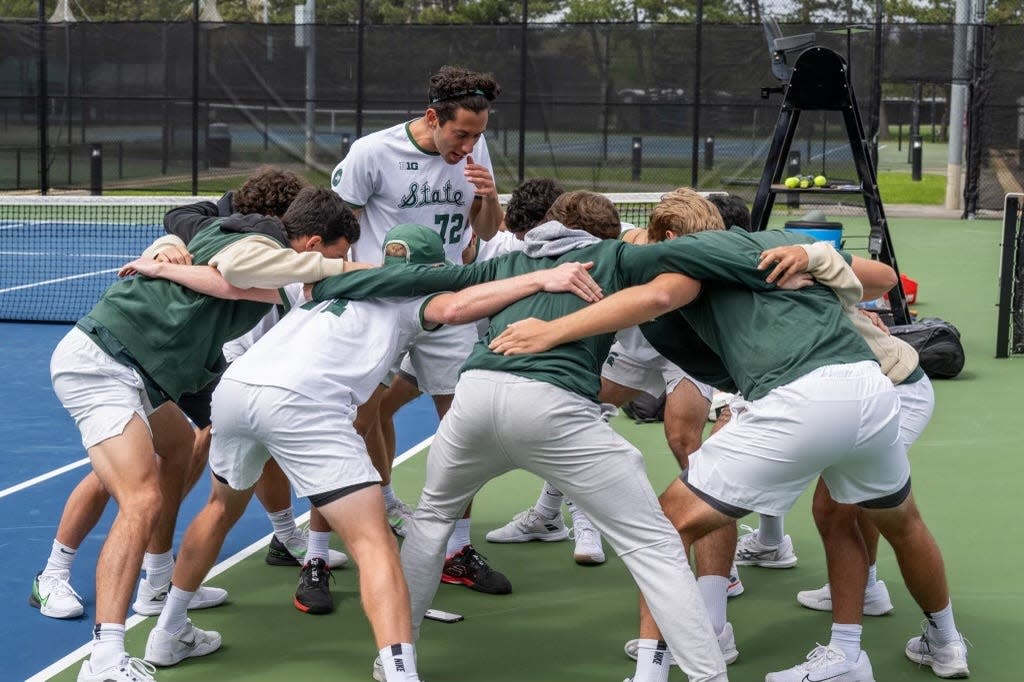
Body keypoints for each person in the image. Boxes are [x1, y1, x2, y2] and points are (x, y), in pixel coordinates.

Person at [488, 215, 969, 681]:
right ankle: (926, 645)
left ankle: (654, 669)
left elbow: (654, 291)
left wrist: (548, 330)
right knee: (881, 520)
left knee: (667, 525)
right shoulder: (770, 246)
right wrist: (813, 257)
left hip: (821, 392)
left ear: (676, 239)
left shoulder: (684, 261)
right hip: (870, 387)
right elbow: (878, 279)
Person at [133, 223, 601, 681]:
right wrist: (543, 278)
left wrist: (162, 262)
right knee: (373, 541)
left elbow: (228, 280)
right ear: (431, 267)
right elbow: (458, 307)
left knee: (218, 509)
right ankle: (400, 672)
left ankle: (168, 633)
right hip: (304, 401)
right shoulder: (412, 300)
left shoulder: (326, 285)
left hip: (236, 391)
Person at [310, 190, 729, 682]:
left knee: (431, 521)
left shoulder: (506, 261)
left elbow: (416, 277)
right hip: (554, 408)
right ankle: (709, 676)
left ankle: (395, 660)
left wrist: (323, 284)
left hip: (476, 398)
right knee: (656, 545)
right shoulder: (617, 256)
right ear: (609, 234)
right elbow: (694, 259)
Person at [51, 187, 363, 682]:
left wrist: (164, 257)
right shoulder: (263, 245)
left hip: (161, 372)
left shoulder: (238, 240)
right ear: (310, 243)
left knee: (177, 449)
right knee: (140, 497)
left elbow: (220, 271)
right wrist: (343, 271)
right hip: (106, 362)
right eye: (335, 253)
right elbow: (236, 274)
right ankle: (104, 656)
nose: (339, 262)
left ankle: (160, 588)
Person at [331, 65, 511, 593]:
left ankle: (456, 548)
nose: (471, 143)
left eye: (479, 134)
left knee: (463, 426)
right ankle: (326, 544)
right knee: (356, 421)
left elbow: (484, 231)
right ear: (432, 117)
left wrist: (489, 196)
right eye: (461, 134)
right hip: (380, 306)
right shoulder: (372, 152)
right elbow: (339, 229)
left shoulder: (476, 153)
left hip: (449, 303)